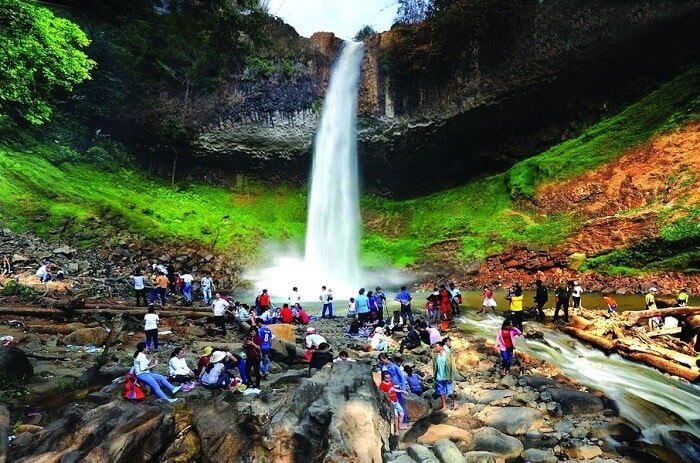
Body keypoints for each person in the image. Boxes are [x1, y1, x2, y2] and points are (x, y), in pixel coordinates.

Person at [379, 353, 408, 423]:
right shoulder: (382, 366)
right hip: (387, 387)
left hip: (395, 386)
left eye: (382, 360)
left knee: (399, 403)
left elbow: (402, 377)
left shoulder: (394, 366)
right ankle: (395, 421)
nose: (381, 361)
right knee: (391, 403)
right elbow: (382, 377)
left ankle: (403, 421)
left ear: (386, 358)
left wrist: (403, 388)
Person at [432, 341, 459, 411]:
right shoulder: (435, 356)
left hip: (447, 376)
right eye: (435, 347)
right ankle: (444, 405)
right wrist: (434, 376)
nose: (435, 348)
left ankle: (455, 402)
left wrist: (451, 376)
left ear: (441, 347)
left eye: (436, 347)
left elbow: (453, 366)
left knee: (450, 391)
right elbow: (434, 367)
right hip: (439, 377)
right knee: (441, 392)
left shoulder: (448, 355)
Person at [379, 370, 407, 435]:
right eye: (386, 378)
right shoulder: (382, 384)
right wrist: (387, 394)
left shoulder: (391, 382)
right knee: (396, 416)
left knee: (402, 414)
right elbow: (381, 393)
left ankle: (400, 426)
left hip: (395, 400)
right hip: (390, 402)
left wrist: (401, 391)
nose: (388, 379)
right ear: (383, 377)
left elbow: (393, 389)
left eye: (389, 378)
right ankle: (396, 430)